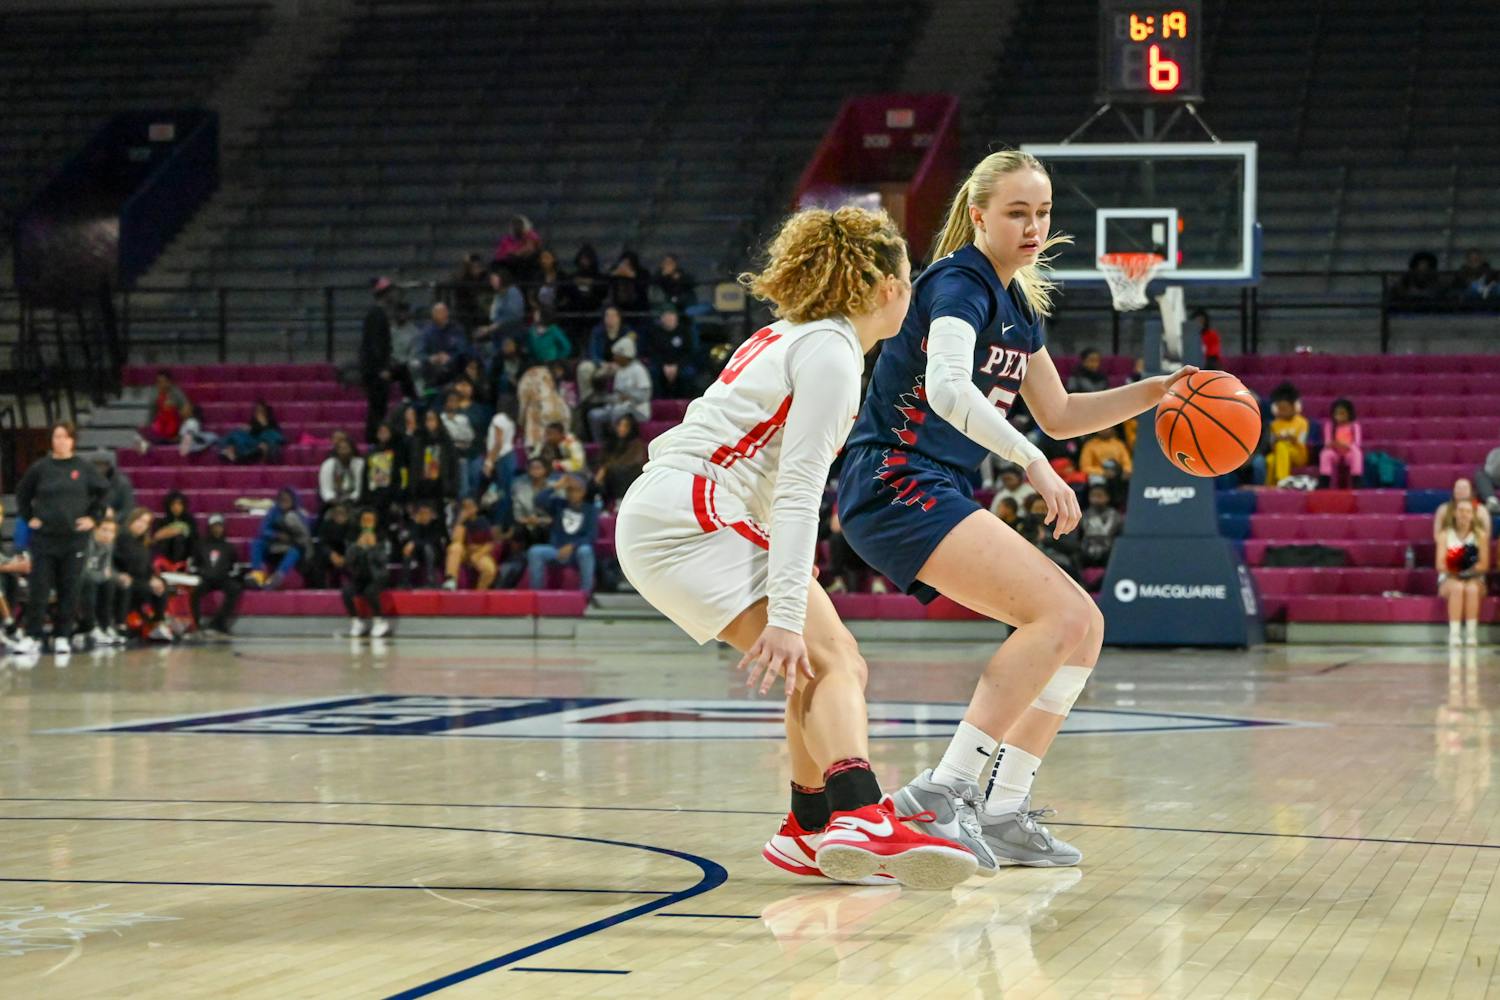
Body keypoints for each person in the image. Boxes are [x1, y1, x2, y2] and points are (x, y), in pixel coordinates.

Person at [835, 151, 1197, 873]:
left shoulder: (1019, 305)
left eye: (1044, 213)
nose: (1034, 227)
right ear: (978, 216)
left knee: (1085, 627)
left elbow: (1059, 415)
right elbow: (945, 390)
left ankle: (1001, 810)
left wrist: (1153, 390)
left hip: (932, 485)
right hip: (894, 478)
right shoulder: (958, 284)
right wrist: (1030, 464)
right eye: (1017, 213)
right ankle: (947, 791)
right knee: (1056, 618)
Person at [615, 205, 976, 888]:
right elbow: (798, 492)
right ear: (886, 289)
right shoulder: (833, 353)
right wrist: (784, 615)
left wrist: (789, 617)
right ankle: (862, 813)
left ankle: (808, 828)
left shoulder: (794, 334)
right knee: (836, 657)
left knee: (820, 661)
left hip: (671, 513)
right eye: (909, 275)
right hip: (690, 515)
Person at [7, 422, 108, 658]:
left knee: (69, 588)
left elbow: (103, 492)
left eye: (65, 437)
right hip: (44, 539)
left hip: (74, 541)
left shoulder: (83, 468)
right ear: (51, 440)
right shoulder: (41, 468)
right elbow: (23, 492)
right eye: (56, 436)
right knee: (39, 588)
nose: (60, 441)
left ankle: (62, 635)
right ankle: (33, 635)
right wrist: (29, 516)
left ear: (73, 440)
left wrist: (94, 518)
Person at [528, 475, 598, 593]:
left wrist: (572, 546)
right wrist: (555, 487)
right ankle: (537, 594)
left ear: (583, 492)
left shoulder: (591, 510)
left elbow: (591, 536)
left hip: (576, 551)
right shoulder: (558, 505)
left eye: (576, 490)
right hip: (557, 550)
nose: (572, 494)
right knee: (535, 551)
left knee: (586, 551)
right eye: (569, 490)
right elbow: (538, 500)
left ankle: (585, 594)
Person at [1438, 495, 1489, 647]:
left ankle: (1471, 634)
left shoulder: (1480, 535)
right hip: (1449, 577)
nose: (1464, 514)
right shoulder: (1445, 534)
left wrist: (1467, 570)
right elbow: (1440, 564)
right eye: (1460, 510)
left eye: (1467, 511)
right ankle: (1455, 634)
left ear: (1473, 515)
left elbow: (1484, 564)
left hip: (1474, 577)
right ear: (1454, 513)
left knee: (1472, 588)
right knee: (1457, 587)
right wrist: (1457, 569)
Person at [115, 507, 173, 642]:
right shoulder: (122, 537)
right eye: (139, 521)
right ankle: (121, 625)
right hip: (124, 577)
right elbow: (126, 563)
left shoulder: (142, 542)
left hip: (140, 578)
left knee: (161, 585)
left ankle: (158, 623)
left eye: (146, 523)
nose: (142, 525)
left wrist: (153, 578)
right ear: (132, 520)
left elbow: (147, 566)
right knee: (145, 587)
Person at [587, 338, 653, 444]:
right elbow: (617, 394)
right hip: (619, 406)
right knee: (594, 415)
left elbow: (645, 395)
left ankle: (616, 443)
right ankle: (600, 444)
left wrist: (629, 396)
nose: (614, 358)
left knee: (617, 413)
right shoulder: (620, 371)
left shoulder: (639, 369)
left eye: (617, 355)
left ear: (625, 355)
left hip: (638, 409)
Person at [190, 514, 241, 639]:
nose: (217, 529)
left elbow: (235, 567)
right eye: (214, 526)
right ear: (209, 528)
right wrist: (200, 573)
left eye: (219, 526)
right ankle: (196, 624)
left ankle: (218, 623)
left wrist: (228, 575)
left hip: (223, 579)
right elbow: (192, 565)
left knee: (235, 588)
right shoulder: (200, 545)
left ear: (223, 528)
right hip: (205, 579)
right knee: (194, 592)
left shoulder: (229, 547)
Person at [360, 277, 398, 442]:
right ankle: (374, 439)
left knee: (377, 406)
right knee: (377, 407)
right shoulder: (377, 314)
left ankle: (375, 438)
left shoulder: (377, 313)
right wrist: (382, 368)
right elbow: (376, 344)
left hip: (374, 369)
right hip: (375, 371)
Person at [343, 509, 391, 638]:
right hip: (360, 576)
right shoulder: (354, 537)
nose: (367, 524)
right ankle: (356, 621)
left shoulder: (382, 537)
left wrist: (373, 547)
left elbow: (384, 560)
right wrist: (358, 546)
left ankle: (379, 620)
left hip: (378, 576)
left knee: (370, 591)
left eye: (370, 521)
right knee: (347, 591)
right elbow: (348, 560)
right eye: (364, 521)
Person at [249, 488, 310, 590]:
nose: (284, 502)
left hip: (291, 547)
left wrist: (291, 538)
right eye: (282, 499)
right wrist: (276, 535)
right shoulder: (273, 512)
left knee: (295, 551)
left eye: (287, 499)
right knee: (257, 543)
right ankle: (257, 574)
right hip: (274, 545)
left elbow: (304, 537)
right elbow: (263, 530)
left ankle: (278, 576)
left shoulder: (299, 515)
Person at [79, 518, 126, 647]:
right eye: (104, 530)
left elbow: (107, 569)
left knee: (111, 583)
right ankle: (91, 627)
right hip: (79, 579)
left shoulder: (109, 546)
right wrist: (104, 576)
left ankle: (106, 626)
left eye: (111, 531)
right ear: (95, 530)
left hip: (96, 578)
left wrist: (115, 577)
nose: (107, 534)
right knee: (90, 583)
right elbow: (84, 570)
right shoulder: (86, 543)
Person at [444, 496, 502, 590]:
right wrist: (460, 521)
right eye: (465, 507)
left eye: (470, 507)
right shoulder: (460, 522)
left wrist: (478, 554)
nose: (468, 510)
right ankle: (451, 580)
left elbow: (490, 544)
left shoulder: (483, 521)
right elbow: (456, 540)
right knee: (455, 548)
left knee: (489, 569)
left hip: (479, 552)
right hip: (465, 552)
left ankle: (480, 592)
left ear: (476, 508)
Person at [580, 305, 639, 395]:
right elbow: (593, 353)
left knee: (631, 368)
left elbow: (631, 353)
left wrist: (619, 364)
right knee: (584, 368)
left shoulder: (627, 332)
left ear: (619, 318)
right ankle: (588, 400)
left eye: (613, 316)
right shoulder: (597, 332)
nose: (610, 318)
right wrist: (603, 364)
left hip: (620, 365)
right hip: (601, 365)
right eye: (607, 316)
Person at [473, 266, 526, 362]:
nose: (492, 282)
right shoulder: (498, 295)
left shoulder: (513, 292)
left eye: (494, 279)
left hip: (510, 337)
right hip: (497, 337)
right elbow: (494, 316)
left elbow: (514, 315)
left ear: (502, 278)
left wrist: (491, 328)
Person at [408, 409, 460, 507]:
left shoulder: (446, 441)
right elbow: (411, 466)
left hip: (441, 487)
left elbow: (454, 466)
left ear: (438, 421)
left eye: (432, 420)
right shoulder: (417, 440)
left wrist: (452, 490)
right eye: (427, 420)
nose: (430, 423)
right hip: (421, 488)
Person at [595, 414, 647, 506]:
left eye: (625, 426)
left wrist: (606, 468)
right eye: (619, 425)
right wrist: (603, 468)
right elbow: (603, 459)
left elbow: (629, 461)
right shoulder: (611, 442)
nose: (621, 428)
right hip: (612, 473)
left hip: (629, 475)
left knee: (620, 471)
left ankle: (621, 501)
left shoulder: (636, 444)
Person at [362, 421, 408, 527]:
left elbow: (402, 474)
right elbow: (366, 475)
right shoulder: (372, 453)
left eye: (385, 432)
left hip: (392, 495)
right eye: (380, 432)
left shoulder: (398, 452)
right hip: (375, 496)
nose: (382, 434)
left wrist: (399, 494)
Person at [517, 366, 572, 453]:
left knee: (538, 446)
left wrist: (520, 422)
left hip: (539, 408)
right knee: (561, 442)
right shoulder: (547, 372)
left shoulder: (526, 377)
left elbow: (523, 403)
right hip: (559, 406)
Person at [418, 302, 470, 392]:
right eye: (438, 312)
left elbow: (463, 349)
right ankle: (430, 397)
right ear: (433, 315)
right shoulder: (426, 332)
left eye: (443, 311)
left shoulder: (457, 329)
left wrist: (450, 356)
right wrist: (431, 358)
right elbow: (420, 353)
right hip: (433, 371)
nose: (441, 314)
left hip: (453, 369)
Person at [1265, 384, 1310, 486]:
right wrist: (1276, 439)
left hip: (1298, 455)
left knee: (1281, 445)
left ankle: (1282, 481)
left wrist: (1291, 439)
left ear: (1295, 407)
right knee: (1270, 460)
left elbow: (1302, 442)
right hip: (1280, 454)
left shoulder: (1302, 422)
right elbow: (1272, 447)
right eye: (1280, 409)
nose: (1282, 411)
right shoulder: (1274, 424)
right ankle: (1269, 487)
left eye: (1285, 408)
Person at [398, 501, 448, 587]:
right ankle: (405, 581)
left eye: (426, 513)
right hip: (419, 554)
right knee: (408, 548)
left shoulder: (437, 525)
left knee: (427, 548)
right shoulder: (414, 525)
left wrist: (414, 543)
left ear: (432, 515)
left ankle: (431, 581)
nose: (424, 516)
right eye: (421, 513)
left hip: (434, 554)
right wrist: (416, 524)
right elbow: (409, 539)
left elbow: (432, 541)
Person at [137, 369, 189, 449]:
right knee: (140, 442)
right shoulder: (155, 395)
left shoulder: (177, 394)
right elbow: (151, 417)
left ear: (169, 382)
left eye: (163, 382)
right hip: (161, 430)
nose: (160, 385)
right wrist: (145, 431)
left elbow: (187, 413)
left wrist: (174, 409)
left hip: (177, 430)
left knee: (191, 425)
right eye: (158, 382)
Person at [219, 402, 284, 464]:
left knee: (264, 444)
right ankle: (229, 451)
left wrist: (265, 425)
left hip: (262, 445)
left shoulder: (272, 424)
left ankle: (237, 458)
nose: (259, 413)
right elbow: (250, 435)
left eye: (261, 411)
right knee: (236, 434)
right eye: (257, 411)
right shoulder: (253, 423)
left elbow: (276, 436)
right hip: (252, 443)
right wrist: (247, 429)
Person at [510, 457, 555, 547]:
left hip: (548, 523)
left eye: (538, 468)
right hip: (527, 522)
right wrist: (528, 520)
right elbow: (517, 515)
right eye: (532, 468)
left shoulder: (554, 487)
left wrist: (540, 520)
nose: (535, 471)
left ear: (545, 470)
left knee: (545, 530)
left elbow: (558, 515)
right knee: (519, 530)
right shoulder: (520, 488)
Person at [1319, 398, 1363, 489]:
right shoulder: (1330, 426)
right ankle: (1324, 481)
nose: (1339, 416)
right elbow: (1327, 442)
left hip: (1348, 452)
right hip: (1335, 452)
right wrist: (1334, 444)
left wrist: (1345, 445)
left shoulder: (1354, 426)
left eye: (1342, 413)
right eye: (1337, 413)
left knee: (1357, 453)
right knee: (1325, 454)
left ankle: (1356, 481)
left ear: (1349, 414)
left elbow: (1357, 444)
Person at [1078, 484, 1122, 571]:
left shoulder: (1113, 514)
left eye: (1099, 496)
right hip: (1087, 551)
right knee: (1075, 556)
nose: (1096, 499)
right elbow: (1081, 534)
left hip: (1107, 550)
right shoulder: (1084, 514)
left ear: (1107, 497)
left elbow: (1105, 532)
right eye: (1093, 496)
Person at [150, 490, 199, 568]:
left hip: (185, 557)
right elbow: (156, 537)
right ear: (168, 506)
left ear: (184, 505)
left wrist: (168, 532)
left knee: (179, 539)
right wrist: (175, 531)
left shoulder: (190, 521)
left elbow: (194, 539)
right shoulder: (162, 521)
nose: (176, 507)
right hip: (166, 557)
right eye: (173, 504)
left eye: (179, 504)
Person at [318, 435, 365, 509]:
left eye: (346, 448)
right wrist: (333, 500)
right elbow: (325, 489)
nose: (343, 452)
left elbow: (360, 487)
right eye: (341, 449)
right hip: (333, 502)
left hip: (355, 501)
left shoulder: (360, 464)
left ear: (352, 450)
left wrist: (350, 499)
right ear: (336, 450)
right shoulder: (328, 464)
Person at [492, 214, 541, 279]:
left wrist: (517, 253)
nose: (517, 227)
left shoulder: (531, 235)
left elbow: (530, 248)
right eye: (515, 225)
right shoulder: (506, 239)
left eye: (519, 225)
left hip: (526, 263)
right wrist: (513, 254)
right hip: (510, 264)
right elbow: (500, 256)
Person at [607, 250, 652, 315]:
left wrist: (631, 275)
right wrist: (615, 273)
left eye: (629, 264)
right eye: (624, 263)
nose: (625, 266)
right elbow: (606, 279)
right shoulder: (615, 271)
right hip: (619, 307)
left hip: (638, 307)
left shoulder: (643, 273)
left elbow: (644, 286)